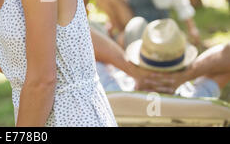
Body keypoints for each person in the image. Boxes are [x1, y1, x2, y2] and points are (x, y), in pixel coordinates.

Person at [91, 19, 230, 99]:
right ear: (182, 64)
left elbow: (82, 39)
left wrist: (131, 70)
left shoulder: (113, 91)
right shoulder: (195, 99)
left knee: (136, 24)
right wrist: (186, 75)